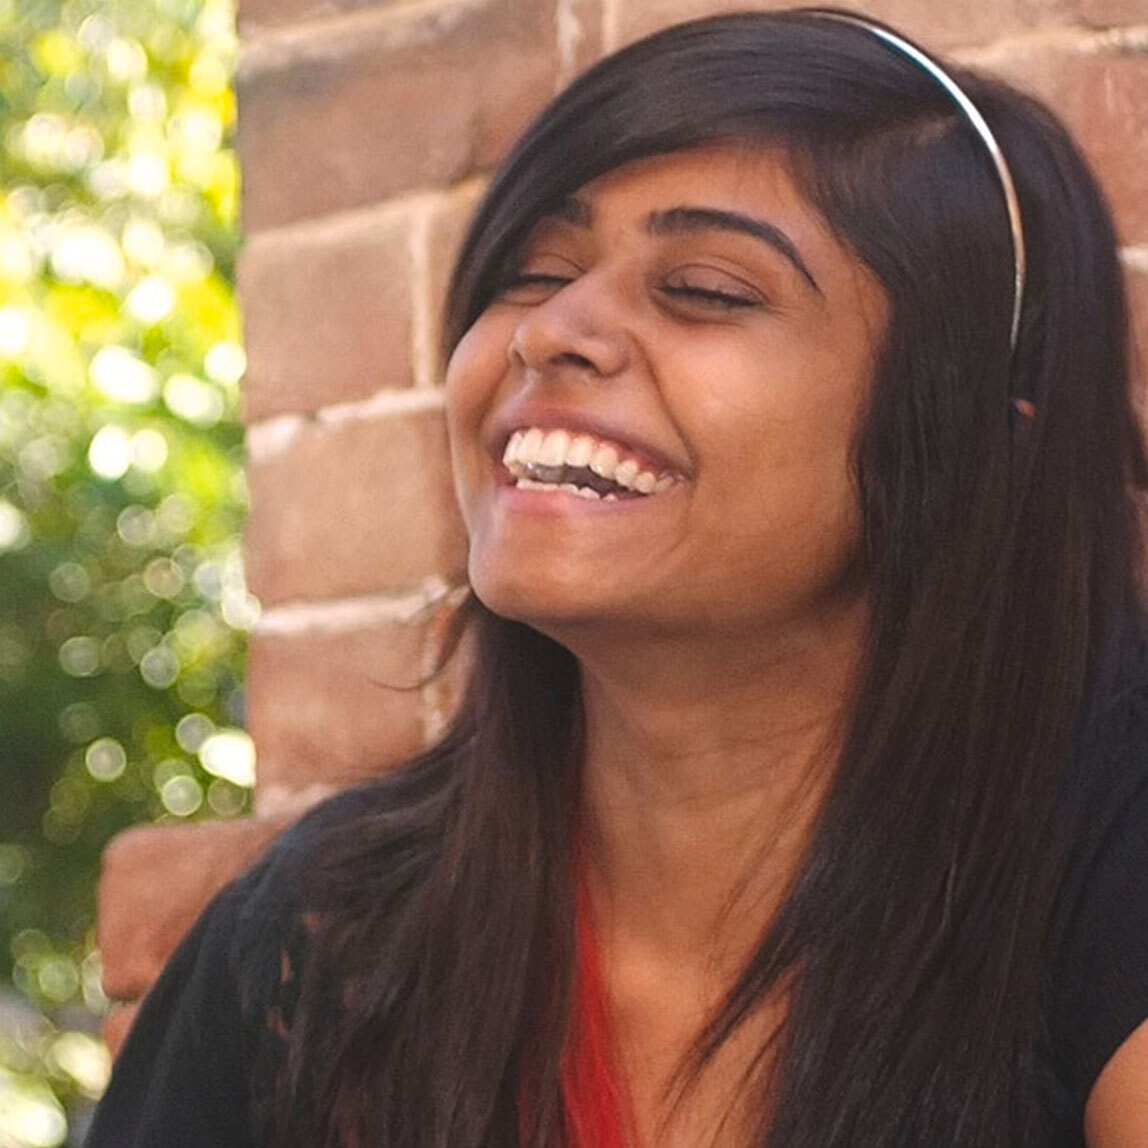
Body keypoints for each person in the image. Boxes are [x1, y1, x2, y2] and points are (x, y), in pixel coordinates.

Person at [86, 8, 1148, 1147]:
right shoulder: (321, 936)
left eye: (705, 288)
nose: (555, 330)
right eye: (533, 271)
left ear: (968, 440)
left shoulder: (1101, 861)